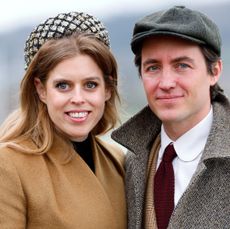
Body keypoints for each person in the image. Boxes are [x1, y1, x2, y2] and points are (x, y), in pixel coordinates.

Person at [0, 12, 126, 228]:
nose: (78, 99)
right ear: (41, 90)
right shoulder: (9, 165)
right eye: (63, 85)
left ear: (108, 89)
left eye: (90, 85)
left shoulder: (119, 160)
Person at [112, 5, 230, 229]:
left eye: (182, 65)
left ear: (214, 71)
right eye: (153, 67)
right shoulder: (129, 161)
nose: (166, 83)